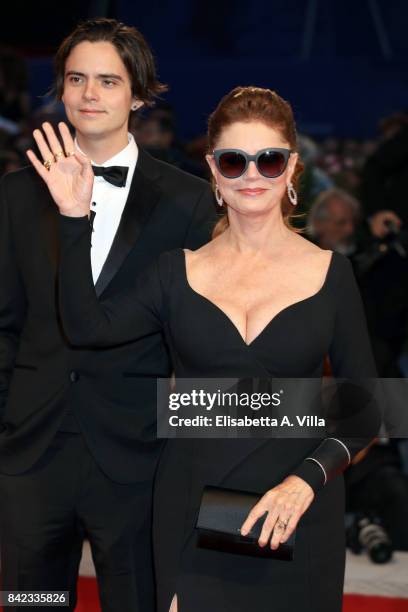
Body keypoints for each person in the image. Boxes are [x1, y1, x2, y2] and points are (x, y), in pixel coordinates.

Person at [28, 86, 377, 612]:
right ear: (214, 170)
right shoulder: (176, 273)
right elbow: (86, 328)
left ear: (292, 168)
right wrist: (77, 219)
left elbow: (363, 408)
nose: (253, 175)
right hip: (194, 508)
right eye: (235, 161)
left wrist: (305, 482)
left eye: (270, 159)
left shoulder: (332, 275)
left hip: (296, 512)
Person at [0, 17, 215, 612]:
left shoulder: (188, 201)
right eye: (76, 78)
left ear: (139, 94)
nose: (90, 94)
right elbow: (5, 325)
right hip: (32, 461)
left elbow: (194, 344)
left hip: (137, 460)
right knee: (30, 605)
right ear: (61, 90)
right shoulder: (17, 195)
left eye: (108, 81)